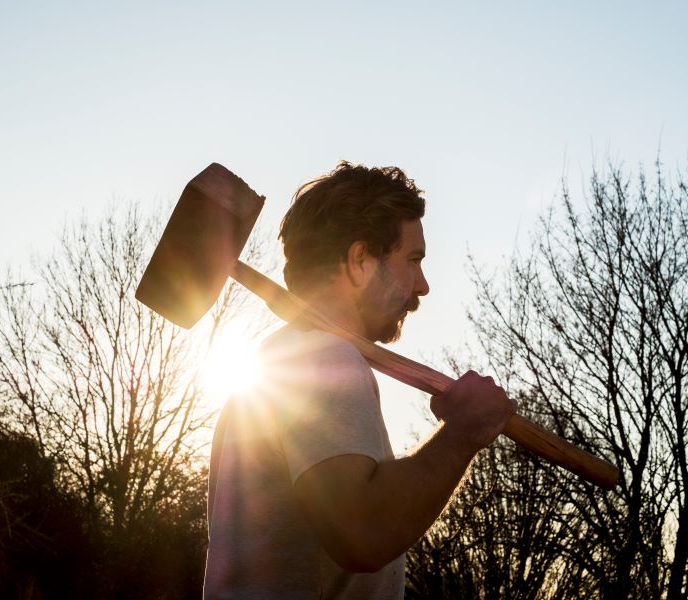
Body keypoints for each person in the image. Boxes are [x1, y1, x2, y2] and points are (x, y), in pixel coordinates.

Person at [203, 162, 517, 599]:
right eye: (412, 260)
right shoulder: (321, 359)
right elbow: (363, 533)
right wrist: (462, 434)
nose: (422, 286)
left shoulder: (285, 360)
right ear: (360, 261)